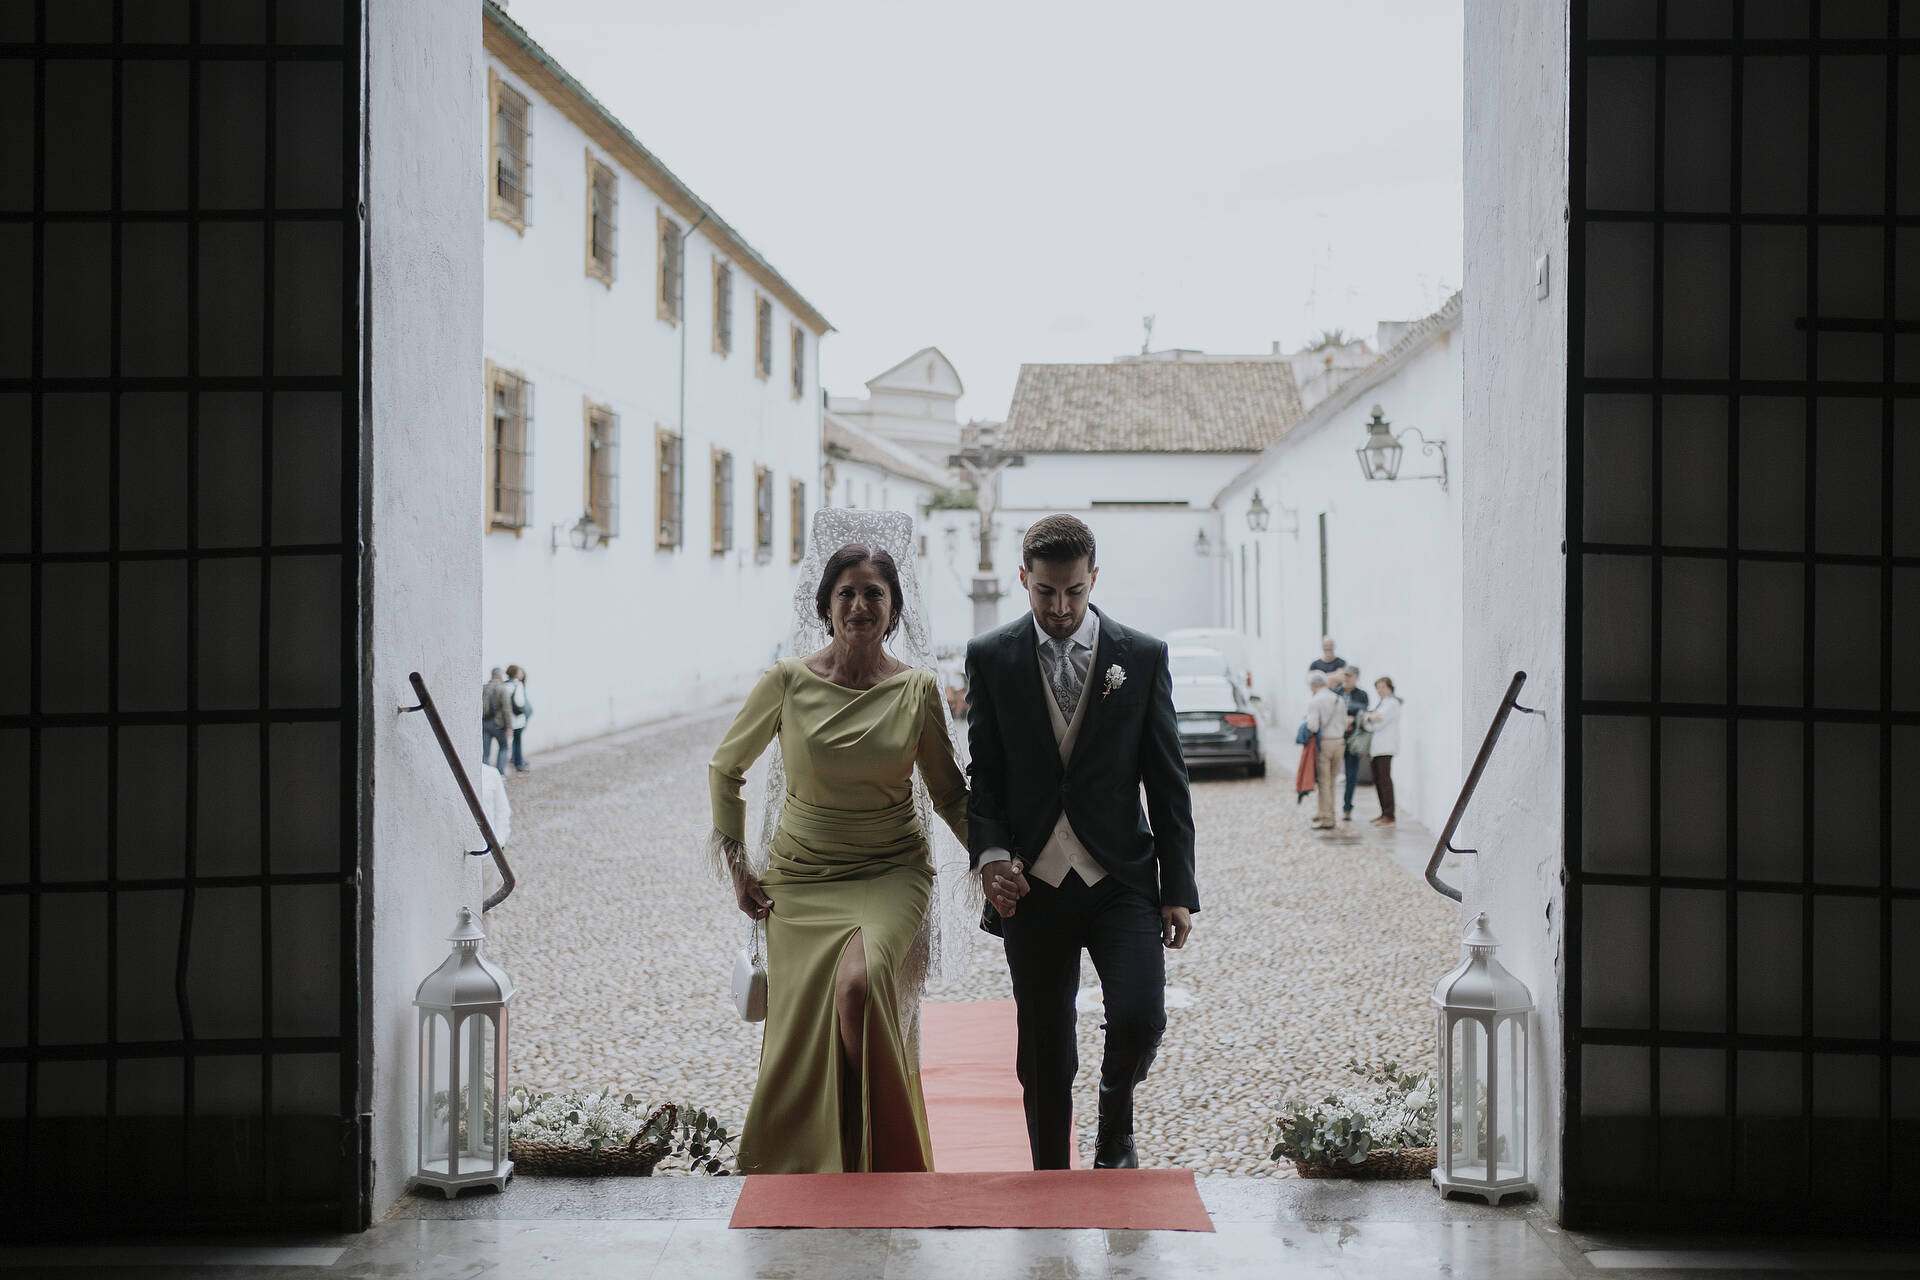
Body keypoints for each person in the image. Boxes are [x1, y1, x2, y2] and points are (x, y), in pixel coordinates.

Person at [708, 540, 968, 1174]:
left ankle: (882, 1159)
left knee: (859, 987)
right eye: (846, 593)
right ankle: (827, 1160)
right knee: (807, 1027)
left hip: (891, 873)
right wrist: (739, 869)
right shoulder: (786, 681)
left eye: (874, 593)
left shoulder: (916, 690)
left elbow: (949, 795)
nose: (859, 605)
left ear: (893, 609)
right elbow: (725, 767)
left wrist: (994, 859)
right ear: (825, 606)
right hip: (800, 881)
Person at [964, 514, 1198, 1171]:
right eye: (1046, 592)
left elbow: (1167, 781)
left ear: (1094, 578)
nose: (1061, 607)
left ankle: (1114, 1122)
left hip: (1120, 877)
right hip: (1033, 884)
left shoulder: (1142, 656)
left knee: (1141, 1018)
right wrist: (991, 856)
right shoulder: (991, 657)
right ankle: (1049, 1173)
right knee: (1043, 1044)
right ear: (1024, 580)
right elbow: (987, 775)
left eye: (1074, 591)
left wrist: (1178, 890)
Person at [1303, 670, 1349, 829]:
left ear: (1313, 685)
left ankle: (1327, 818)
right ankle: (1327, 813)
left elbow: (1313, 726)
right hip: (1340, 742)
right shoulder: (1338, 699)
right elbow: (1345, 723)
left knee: (1324, 781)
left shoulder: (1315, 701)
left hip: (1325, 743)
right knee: (1332, 781)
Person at [1367, 676, 1404, 826]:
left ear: (1390, 687)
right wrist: (1370, 718)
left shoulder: (1392, 704)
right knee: (1378, 781)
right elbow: (1370, 722)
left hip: (1385, 748)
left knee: (1384, 781)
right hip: (1376, 749)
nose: (1380, 690)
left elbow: (1377, 724)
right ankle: (1384, 813)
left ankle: (1389, 815)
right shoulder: (1381, 704)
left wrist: (1370, 718)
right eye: (1378, 687)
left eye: (1383, 687)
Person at [1336, 665, 1371, 822]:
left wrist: (1350, 716)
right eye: (1345, 676)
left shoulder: (1362, 695)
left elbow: (1363, 710)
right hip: (1336, 738)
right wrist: (1346, 717)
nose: (1346, 679)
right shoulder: (1336, 692)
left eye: (1349, 676)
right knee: (1330, 774)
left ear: (1356, 678)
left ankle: (1347, 807)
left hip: (1353, 740)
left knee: (1351, 775)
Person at [481, 668, 513, 773]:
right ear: (500, 676)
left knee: (485, 752)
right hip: (498, 725)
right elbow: (506, 709)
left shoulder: (484, 687)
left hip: (485, 723)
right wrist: (509, 727)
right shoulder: (502, 688)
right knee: (504, 747)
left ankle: (485, 775)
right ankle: (500, 774)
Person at [505, 664, 533, 775]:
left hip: (508, 719)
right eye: (520, 672)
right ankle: (519, 765)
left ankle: (511, 763)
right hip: (517, 720)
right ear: (516, 674)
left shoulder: (505, 684)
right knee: (517, 742)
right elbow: (520, 702)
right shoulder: (519, 685)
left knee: (508, 743)